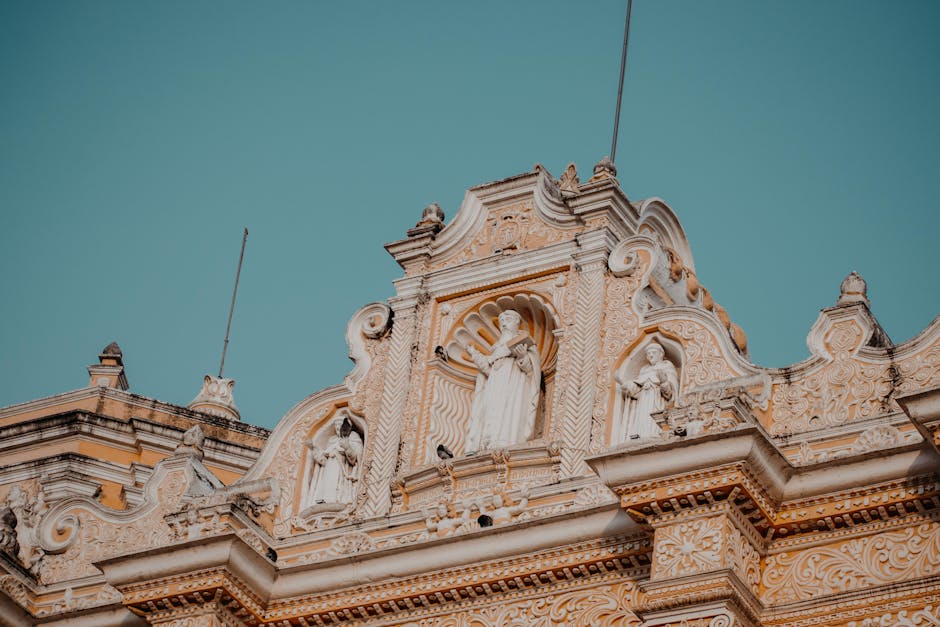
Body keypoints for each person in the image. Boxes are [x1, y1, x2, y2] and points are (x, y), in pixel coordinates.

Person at [465, 309, 540, 454]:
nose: (505, 324)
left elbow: (532, 372)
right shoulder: (496, 349)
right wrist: (474, 354)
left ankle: (507, 441)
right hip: (494, 388)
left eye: (509, 320)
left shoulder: (524, 342)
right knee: (491, 412)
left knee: (509, 411)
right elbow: (488, 371)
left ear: (517, 322)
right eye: (502, 321)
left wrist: (522, 356)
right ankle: (488, 442)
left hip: (514, 387)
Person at [616, 341, 678, 441]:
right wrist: (622, 381)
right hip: (643, 402)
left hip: (657, 400)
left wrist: (663, 382)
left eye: (653, 352)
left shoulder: (666, 366)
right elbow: (636, 392)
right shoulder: (644, 370)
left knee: (655, 422)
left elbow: (670, 394)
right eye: (648, 353)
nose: (650, 355)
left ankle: (656, 434)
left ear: (661, 354)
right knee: (642, 420)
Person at [306, 413, 363, 506]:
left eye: (339, 425)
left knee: (336, 487)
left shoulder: (352, 437)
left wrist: (347, 447)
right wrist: (313, 449)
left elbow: (355, 459)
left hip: (342, 469)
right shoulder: (331, 440)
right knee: (328, 485)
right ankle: (324, 500)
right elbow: (323, 461)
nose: (337, 427)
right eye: (335, 425)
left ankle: (338, 499)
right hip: (329, 468)